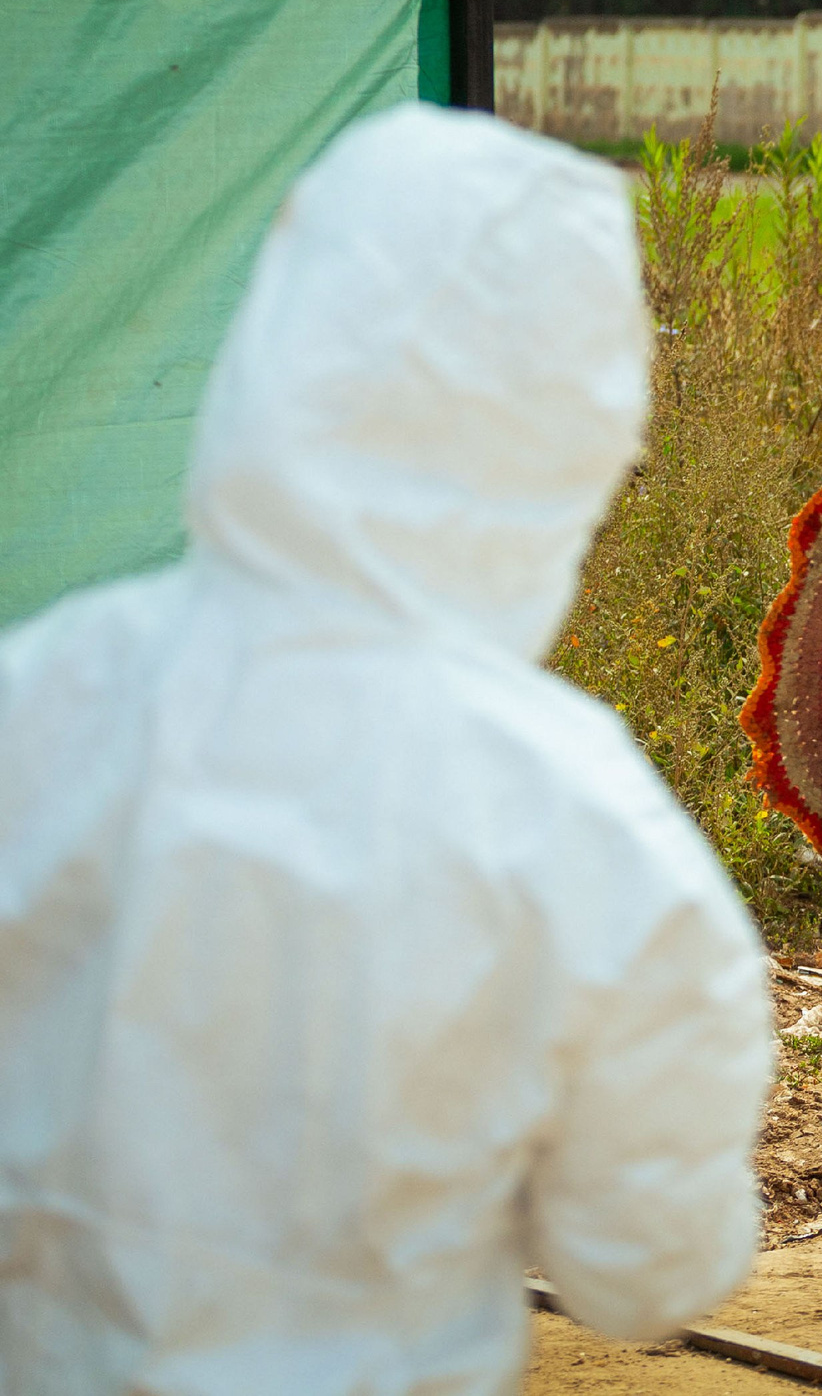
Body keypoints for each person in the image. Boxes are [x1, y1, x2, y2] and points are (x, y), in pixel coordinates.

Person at [0, 107, 774, 1394]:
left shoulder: (48, 691)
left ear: (280, 346)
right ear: (572, 430)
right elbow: (649, 1272)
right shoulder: (582, 822)